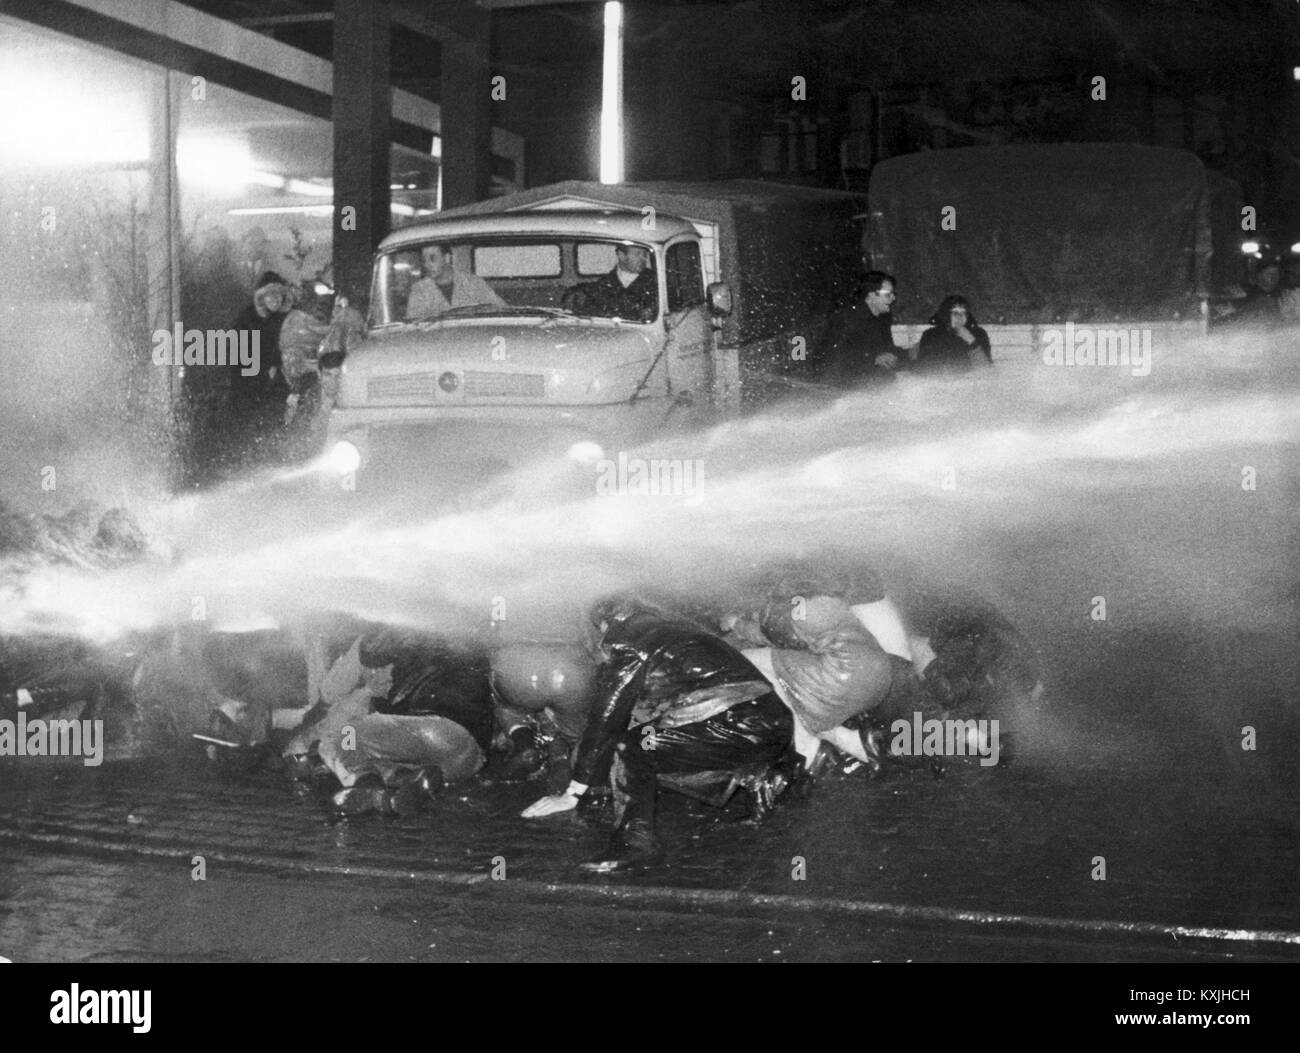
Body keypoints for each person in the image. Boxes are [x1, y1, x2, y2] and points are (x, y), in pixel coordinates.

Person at [521, 597, 796, 872]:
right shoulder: (672, 629)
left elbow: (607, 719)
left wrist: (573, 792)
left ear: (606, 623)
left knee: (629, 747)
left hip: (735, 723)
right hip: (771, 723)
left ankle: (636, 842)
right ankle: (760, 777)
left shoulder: (627, 641)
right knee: (652, 742)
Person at [283, 628, 495, 816]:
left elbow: (335, 690)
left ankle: (368, 788)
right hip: (468, 758)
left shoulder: (390, 633)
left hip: (430, 728)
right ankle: (409, 782)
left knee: (343, 735)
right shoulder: (463, 633)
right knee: (373, 754)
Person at [228, 270, 292, 463]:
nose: (276, 299)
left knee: (276, 426)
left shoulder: (285, 319)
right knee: (251, 430)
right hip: (250, 386)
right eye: (271, 294)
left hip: (277, 385)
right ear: (262, 296)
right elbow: (240, 355)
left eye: (279, 295)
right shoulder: (247, 319)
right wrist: (266, 367)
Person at [818, 270, 904, 384]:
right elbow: (830, 361)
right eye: (888, 294)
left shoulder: (883, 318)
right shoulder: (846, 318)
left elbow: (887, 351)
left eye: (894, 294)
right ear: (871, 294)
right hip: (843, 387)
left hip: (871, 381)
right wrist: (873, 360)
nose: (893, 298)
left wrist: (906, 355)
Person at [405, 242, 505, 320]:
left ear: (447, 258)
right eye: (424, 260)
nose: (427, 265)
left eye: (432, 258)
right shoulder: (419, 290)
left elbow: (501, 309)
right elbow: (412, 324)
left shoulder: (474, 283)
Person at [578, 243, 658, 321]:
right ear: (621, 255)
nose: (643, 258)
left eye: (644, 254)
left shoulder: (656, 281)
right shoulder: (603, 285)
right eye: (637, 254)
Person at [915, 295, 993, 373]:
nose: (960, 317)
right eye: (955, 313)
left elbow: (986, 370)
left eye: (964, 313)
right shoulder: (931, 335)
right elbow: (923, 369)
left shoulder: (979, 334)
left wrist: (971, 341)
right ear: (946, 315)